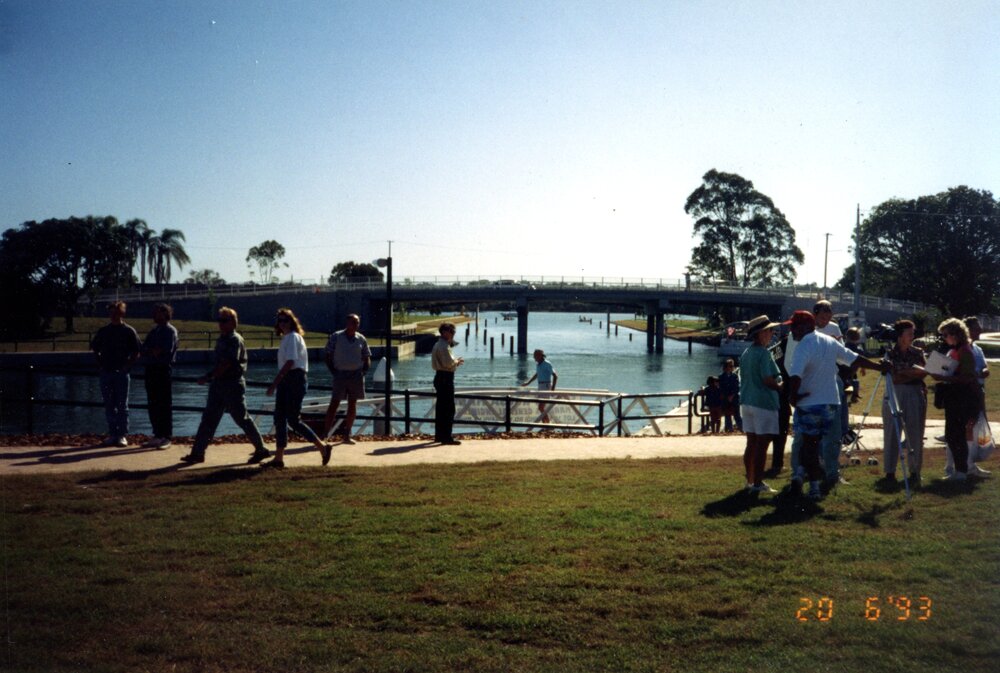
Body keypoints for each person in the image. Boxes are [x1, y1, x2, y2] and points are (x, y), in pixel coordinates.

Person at [786, 311, 887, 500]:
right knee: (815, 445)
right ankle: (800, 476)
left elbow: (795, 375)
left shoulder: (803, 345)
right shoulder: (829, 341)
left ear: (805, 327)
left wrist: (793, 397)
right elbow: (854, 358)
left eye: (794, 326)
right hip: (831, 402)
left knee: (809, 446)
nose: (791, 331)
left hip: (810, 402)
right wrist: (879, 367)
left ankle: (813, 486)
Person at [181, 307, 270, 465]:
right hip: (218, 384)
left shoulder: (235, 339)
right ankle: (197, 452)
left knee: (242, 418)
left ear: (233, 322)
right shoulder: (222, 339)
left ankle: (261, 448)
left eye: (224, 320)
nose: (220, 324)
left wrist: (208, 376)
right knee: (208, 419)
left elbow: (227, 363)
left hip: (232, 385)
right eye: (219, 320)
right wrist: (212, 377)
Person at [265, 308, 333, 469]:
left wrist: (274, 383)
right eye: (280, 321)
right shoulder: (287, 338)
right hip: (288, 380)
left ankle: (322, 447)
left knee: (293, 420)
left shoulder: (293, 338)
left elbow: (290, 362)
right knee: (280, 418)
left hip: (294, 379)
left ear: (292, 322)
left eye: (285, 320)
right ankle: (278, 458)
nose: (282, 324)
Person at [929, 318, 982, 481]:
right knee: (953, 434)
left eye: (945, 335)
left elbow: (967, 377)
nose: (944, 338)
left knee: (956, 434)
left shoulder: (964, 351)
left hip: (963, 397)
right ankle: (960, 470)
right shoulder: (956, 349)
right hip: (956, 397)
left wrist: (945, 377)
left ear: (955, 334)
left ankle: (961, 471)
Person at [879, 320, 927, 487]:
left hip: (915, 393)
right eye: (909, 333)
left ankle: (915, 471)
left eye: (913, 333)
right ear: (900, 336)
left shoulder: (918, 352)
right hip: (895, 393)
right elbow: (894, 377)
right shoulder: (889, 354)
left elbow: (923, 373)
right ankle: (890, 471)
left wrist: (905, 372)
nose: (912, 336)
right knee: (892, 432)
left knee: (915, 433)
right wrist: (912, 372)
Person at [739, 315, 783, 492]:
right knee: (762, 445)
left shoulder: (746, 353)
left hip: (747, 401)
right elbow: (767, 379)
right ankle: (758, 483)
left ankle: (750, 481)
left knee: (751, 443)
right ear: (761, 333)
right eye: (770, 331)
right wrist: (781, 387)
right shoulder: (764, 354)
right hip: (763, 402)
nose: (772, 334)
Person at [91, 301, 141, 447]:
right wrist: (100, 364)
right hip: (106, 372)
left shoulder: (129, 331)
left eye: (116, 312)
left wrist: (127, 367)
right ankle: (113, 433)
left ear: (122, 313)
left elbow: (137, 351)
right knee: (109, 404)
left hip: (121, 373)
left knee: (122, 405)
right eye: (111, 312)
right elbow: (95, 348)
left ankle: (122, 435)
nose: (113, 315)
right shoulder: (104, 331)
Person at [323, 314, 371, 445]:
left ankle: (347, 435)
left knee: (352, 404)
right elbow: (328, 354)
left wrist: (364, 370)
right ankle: (325, 435)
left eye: (357, 322)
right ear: (347, 323)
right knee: (334, 403)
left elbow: (367, 356)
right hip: (340, 374)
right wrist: (333, 371)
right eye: (353, 322)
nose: (355, 325)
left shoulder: (361, 339)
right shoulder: (336, 336)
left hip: (356, 375)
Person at [141, 303, 178, 449]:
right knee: (152, 402)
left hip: (162, 369)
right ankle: (157, 434)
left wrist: (151, 351)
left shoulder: (170, 331)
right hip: (151, 369)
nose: (154, 315)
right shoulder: (154, 330)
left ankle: (166, 436)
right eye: (154, 312)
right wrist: (151, 351)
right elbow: (144, 348)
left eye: (158, 313)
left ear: (165, 314)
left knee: (164, 403)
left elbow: (163, 350)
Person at [432, 322, 464, 445]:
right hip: (446, 377)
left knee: (441, 408)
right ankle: (446, 437)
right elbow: (448, 363)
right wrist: (457, 361)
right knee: (449, 409)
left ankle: (440, 435)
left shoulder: (438, 344)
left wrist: (454, 362)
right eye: (452, 332)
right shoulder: (444, 346)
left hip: (439, 377)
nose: (453, 334)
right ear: (445, 332)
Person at [520, 349, 558, 423]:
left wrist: (553, 389)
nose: (534, 357)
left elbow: (555, 376)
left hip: (546, 385)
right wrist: (528, 383)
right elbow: (537, 374)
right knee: (541, 407)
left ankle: (548, 424)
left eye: (535, 355)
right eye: (534, 355)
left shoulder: (547, 364)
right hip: (540, 385)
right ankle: (546, 424)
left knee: (541, 407)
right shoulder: (538, 364)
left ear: (540, 355)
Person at [720, 359, 742, 432]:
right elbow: (721, 388)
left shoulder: (735, 376)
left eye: (733, 366)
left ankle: (742, 429)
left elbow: (737, 387)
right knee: (727, 415)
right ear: (726, 367)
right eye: (731, 366)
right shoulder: (721, 377)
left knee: (737, 415)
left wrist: (732, 396)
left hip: (734, 398)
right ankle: (730, 429)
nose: (732, 367)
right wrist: (726, 396)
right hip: (725, 399)